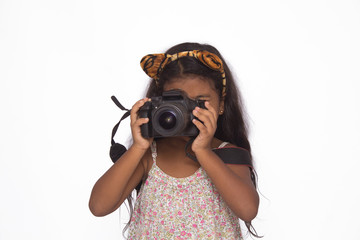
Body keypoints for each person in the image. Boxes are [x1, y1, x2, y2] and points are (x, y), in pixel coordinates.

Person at [89, 42, 260, 239]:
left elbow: (247, 210)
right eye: (177, 100)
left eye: (199, 102)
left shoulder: (227, 154)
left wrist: (203, 151)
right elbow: (98, 206)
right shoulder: (150, 155)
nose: (187, 112)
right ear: (158, 103)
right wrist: (138, 147)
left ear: (221, 104)